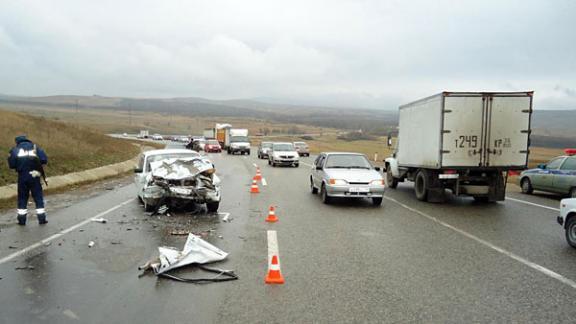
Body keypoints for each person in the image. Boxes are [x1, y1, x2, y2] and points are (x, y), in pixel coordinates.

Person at [7, 135, 48, 225]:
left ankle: (22, 220)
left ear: (17, 142)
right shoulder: (35, 147)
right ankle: (42, 219)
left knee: (22, 198)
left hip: (22, 176)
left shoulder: (15, 149)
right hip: (35, 175)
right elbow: (44, 159)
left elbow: (12, 164)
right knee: (38, 197)